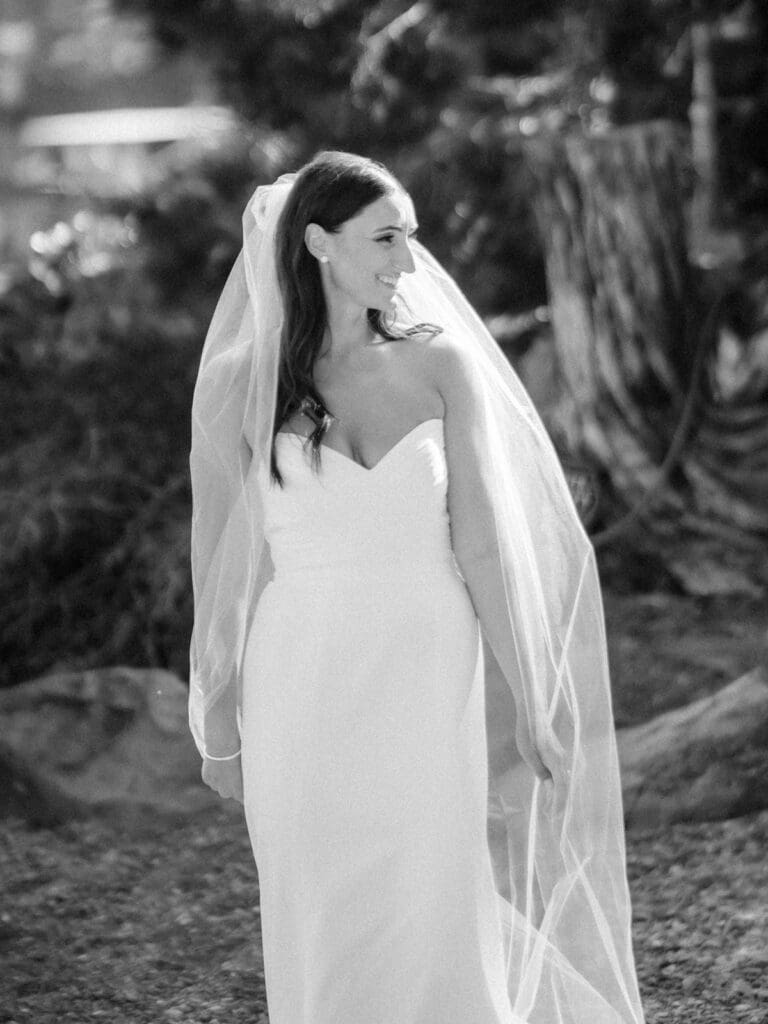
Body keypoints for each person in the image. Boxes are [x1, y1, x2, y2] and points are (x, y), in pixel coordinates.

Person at [188, 151, 646, 1024]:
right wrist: (215, 709)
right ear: (318, 243)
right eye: (386, 237)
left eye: (411, 237)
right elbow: (218, 558)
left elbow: (481, 547)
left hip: (429, 661)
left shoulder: (443, 368)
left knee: (433, 883)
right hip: (302, 669)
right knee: (317, 893)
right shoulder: (239, 382)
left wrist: (530, 693)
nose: (408, 261)